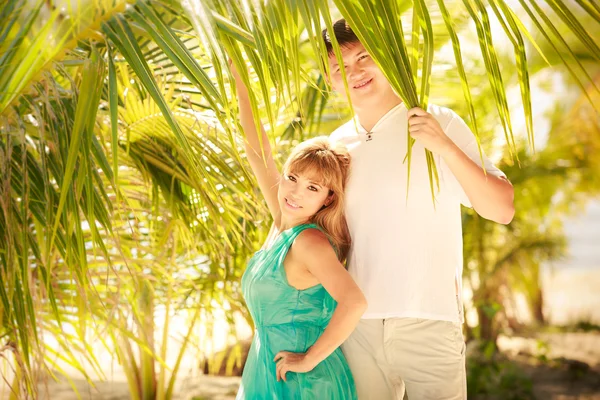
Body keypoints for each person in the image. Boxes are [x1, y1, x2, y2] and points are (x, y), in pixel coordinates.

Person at [322, 20, 515, 400]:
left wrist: (444, 147)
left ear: (387, 58)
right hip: (357, 327)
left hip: (430, 318)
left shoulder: (438, 121)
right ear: (331, 82)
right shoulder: (337, 144)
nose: (357, 71)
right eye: (341, 66)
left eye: (364, 57)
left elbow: (502, 209)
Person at [229, 60, 367, 400]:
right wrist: (239, 78)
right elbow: (256, 151)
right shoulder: (283, 223)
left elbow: (354, 302)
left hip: (305, 384)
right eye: (292, 178)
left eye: (313, 188)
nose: (295, 192)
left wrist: (309, 360)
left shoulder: (309, 242)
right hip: (269, 371)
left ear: (327, 198)